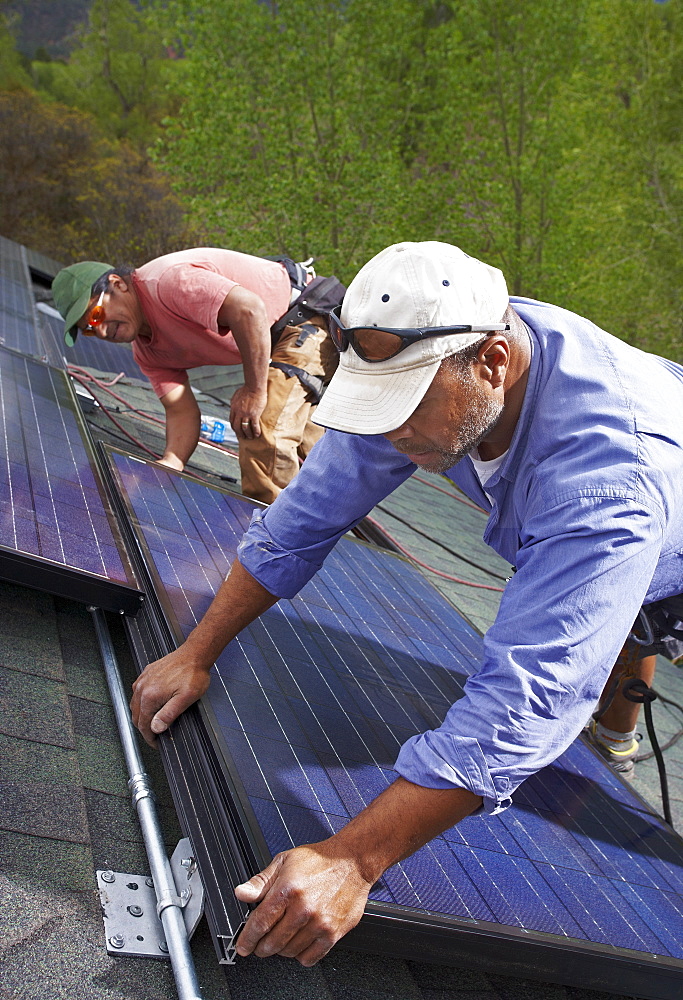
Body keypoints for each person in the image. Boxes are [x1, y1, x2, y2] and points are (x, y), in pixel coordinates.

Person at [129, 241, 683, 966]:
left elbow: (527, 699)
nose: (391, 431)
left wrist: (352, 861)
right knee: (606, 633)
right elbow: (302, 519)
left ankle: (616, 736)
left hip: (664, 524)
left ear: (491, 363)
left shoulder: (603, 482)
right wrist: (195, 651)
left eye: (406, 407)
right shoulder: (431, 366)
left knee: (613, 657)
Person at [51, 249, 342, 504]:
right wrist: (171, 463)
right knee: (314, 445)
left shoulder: (167, 282)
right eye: (89, 328)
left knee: (260, 423)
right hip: (275, 339)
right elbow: (180, 410)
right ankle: (338, 504)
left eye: (97, 314)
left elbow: (249, 309)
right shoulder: (147, 353)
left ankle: (275, 540)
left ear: (117, 284)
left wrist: (254, 390)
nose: (100, 330)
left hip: (305, 313)